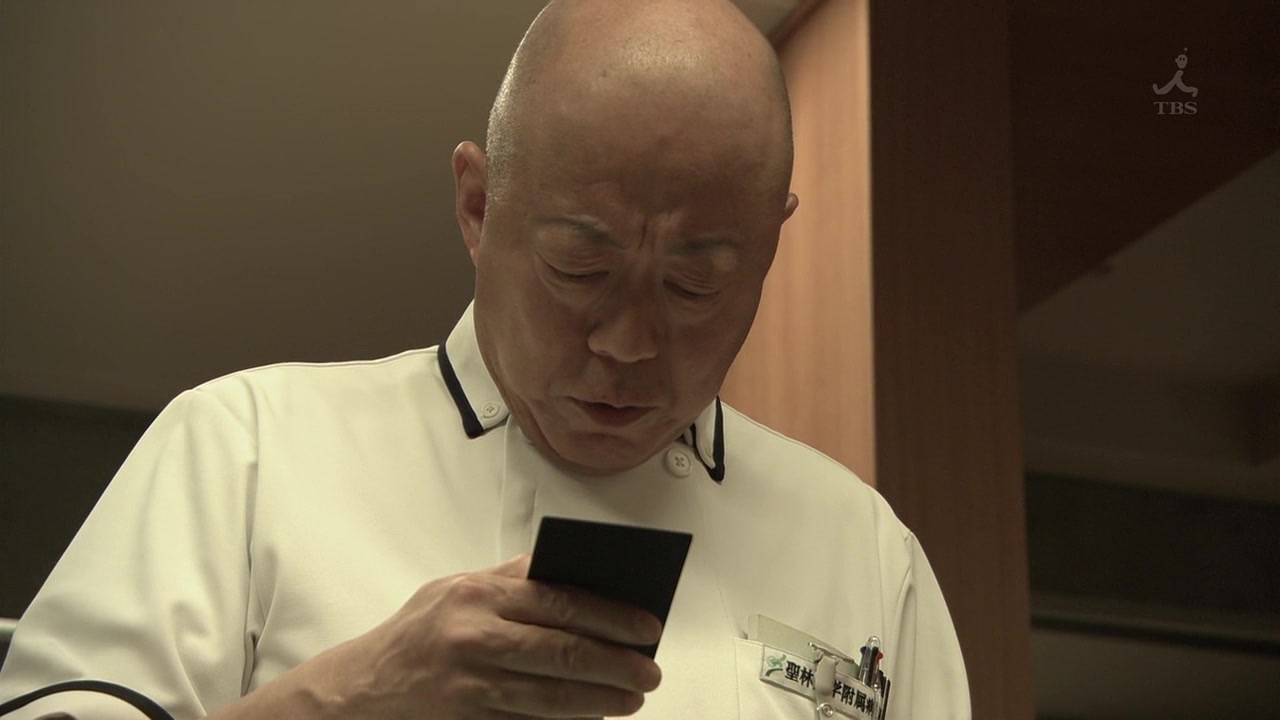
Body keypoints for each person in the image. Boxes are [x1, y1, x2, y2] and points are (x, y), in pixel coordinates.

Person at [0, 1, 970, 718]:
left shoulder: (862, 553)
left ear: (770, 247)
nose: (628, 343)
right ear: (476, 206)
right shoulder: (243, 450)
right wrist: (349, 698)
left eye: (695, 284)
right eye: (578, 268)